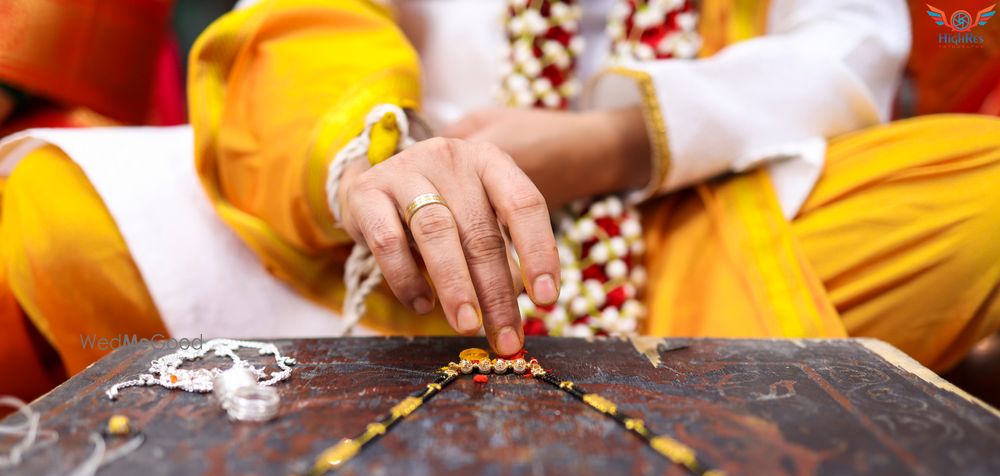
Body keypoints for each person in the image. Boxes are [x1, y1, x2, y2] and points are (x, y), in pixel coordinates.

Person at [1, 0, 998, 403]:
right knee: (36, 227)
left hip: (704, 198)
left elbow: (846, 49)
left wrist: (611, 141)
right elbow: (308, 17)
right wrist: (364, 159)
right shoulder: (373, 166)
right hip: (386, 198)